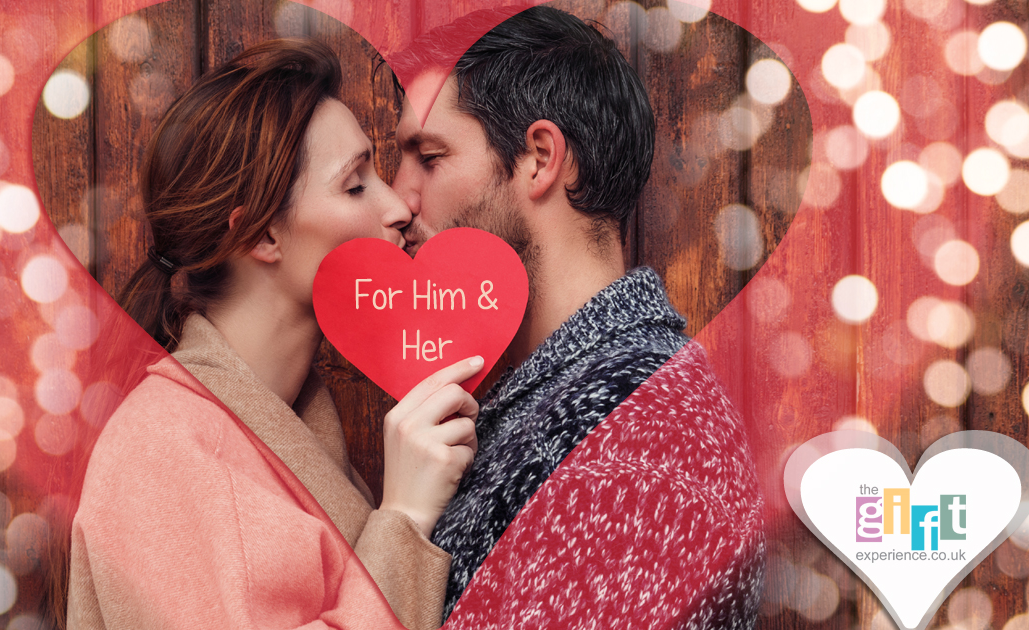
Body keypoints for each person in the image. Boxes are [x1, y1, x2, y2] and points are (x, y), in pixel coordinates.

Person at [68, 39, 481, 630]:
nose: (398, 207)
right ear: (263, 235)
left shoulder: (295, 421)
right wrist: (406, 521)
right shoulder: (159, 450)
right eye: (355, 185)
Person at [388, 6, 766, 626]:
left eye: (429, 157)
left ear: (539, 158)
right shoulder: (569, 397)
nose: (398, 200)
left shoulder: (645, 440)